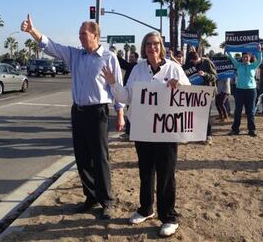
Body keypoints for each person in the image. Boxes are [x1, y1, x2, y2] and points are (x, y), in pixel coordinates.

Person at [20, 14, 125, 220]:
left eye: (83, 34)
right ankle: (91, 197)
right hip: (78, 111)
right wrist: (33, 31)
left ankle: (107, 201)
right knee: (82, 157)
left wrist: (120, 112)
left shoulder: (108, 57)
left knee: (100, 158)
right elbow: (51, 46)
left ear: (96, 36)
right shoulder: (75, 55)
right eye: (79, 34)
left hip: (98, 113)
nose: (80, 38)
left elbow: (117, 88)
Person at [102, 31, 190, 237]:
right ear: (144, 47)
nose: (152, 47)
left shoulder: (173, 68)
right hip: (143, 129)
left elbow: (190, 91)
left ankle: (168, 216)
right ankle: (146, 209)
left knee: (166, 174)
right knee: (146, 172)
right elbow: (126, 96)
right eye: (149, 44)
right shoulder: (137, 70)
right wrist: (113, 83)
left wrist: (179, 86)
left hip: (167, 130)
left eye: (156, 43)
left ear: (162, 46)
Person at [182, 50, 217, 144]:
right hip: (195, 94)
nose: (195, 63)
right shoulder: (188, 65)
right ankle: (198, 135)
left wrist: (205, 75)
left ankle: (208, 136)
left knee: (206, 115)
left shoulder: (207, 62)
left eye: (196, 60)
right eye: (193, 62)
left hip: (207, 93)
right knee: (196, 115)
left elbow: (215, 76)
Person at [226, 48, 262, 137]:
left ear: (250, 57)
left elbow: (260, 60)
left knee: (251, 111)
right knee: (238, 110)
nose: (245, 58)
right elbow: (231, 57)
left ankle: (251, 130)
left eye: (247, 57)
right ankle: (235, 130)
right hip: (239, 90)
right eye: (244, 57)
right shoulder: (238, 65)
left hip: (251, 91)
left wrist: (259, 50)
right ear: (242, 58)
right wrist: (228, 50)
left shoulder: (253, 66)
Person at [117, 51, 139, 138]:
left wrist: (115, 55)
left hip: (133, 95)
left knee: (131, 114)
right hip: (129, 93)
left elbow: (123, 64)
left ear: (136, 58)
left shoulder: (134, 66)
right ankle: (130, 132)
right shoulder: (131, 66)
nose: (130, 58)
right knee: (131, 113)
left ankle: (129, 133)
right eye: (130, 57)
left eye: (132, 57)